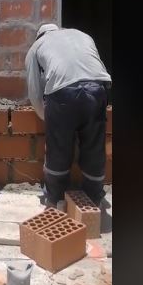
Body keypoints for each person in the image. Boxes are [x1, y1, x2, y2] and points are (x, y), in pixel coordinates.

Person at [25, 24, 112, 206]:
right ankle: (93, 197)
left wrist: (47, 117)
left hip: (63, 94)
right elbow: (98, 67)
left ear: (39, 35)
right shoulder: (82, 34)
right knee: (94, 146)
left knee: (59, 148)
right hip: (97, 90)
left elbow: (34, 90)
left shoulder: (37, 46)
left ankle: (56, 197)